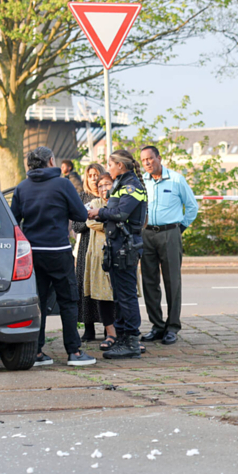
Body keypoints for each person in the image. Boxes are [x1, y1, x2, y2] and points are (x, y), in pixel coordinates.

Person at [10, 146, 96, 367]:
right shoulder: (63, 184)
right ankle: (74, 352)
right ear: (50, 160)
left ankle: (37, 352)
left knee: (38, 302)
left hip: (32, 253)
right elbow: (79, 214)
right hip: (58, 252)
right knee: (68, 300)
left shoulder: (22, 187)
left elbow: (13, 220)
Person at [88, 150, 147, 359]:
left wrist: (98, 212)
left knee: (127, 296)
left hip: (125, 246)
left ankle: (131, 340)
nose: (108, 168)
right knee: (120, 296)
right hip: (117, 246)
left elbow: (121, 213)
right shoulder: (121, 184)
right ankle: (122, 338)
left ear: (120, 166)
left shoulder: (132, 187)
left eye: (110, 164)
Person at [138, 145, 198, 346]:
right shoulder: (141, 182)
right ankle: (157, 325)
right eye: (144, 160)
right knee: (149, 282)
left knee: (172, 281)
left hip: (170, 233)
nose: (147, 163)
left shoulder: (176, 179)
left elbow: (192, 206)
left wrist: (179, 229)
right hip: (146, 234)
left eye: (150, 159)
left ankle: (172, 327)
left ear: (159, 158)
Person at [73, 163, 108, 341]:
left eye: (97, 175)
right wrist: (92, 219)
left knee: (104, 286)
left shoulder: (108, 196)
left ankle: (108, 327)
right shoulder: (81, 197)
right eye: (90, 175)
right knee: (85, 286)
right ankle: (89, 328)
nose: (94, 178)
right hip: (86, 246)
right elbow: (76, 225)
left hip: (103, 246)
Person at [84, 174, 118, 350]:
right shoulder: (95, 203)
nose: (105, 188)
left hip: (120, 254)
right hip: (100, 255)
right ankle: (110, 331)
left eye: (108, 184)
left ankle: (124, 332)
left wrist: (104, 219)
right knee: (103, 296)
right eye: (101, 185)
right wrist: (114, 223)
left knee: (121, 295)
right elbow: (90, 221)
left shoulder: (121, 201)